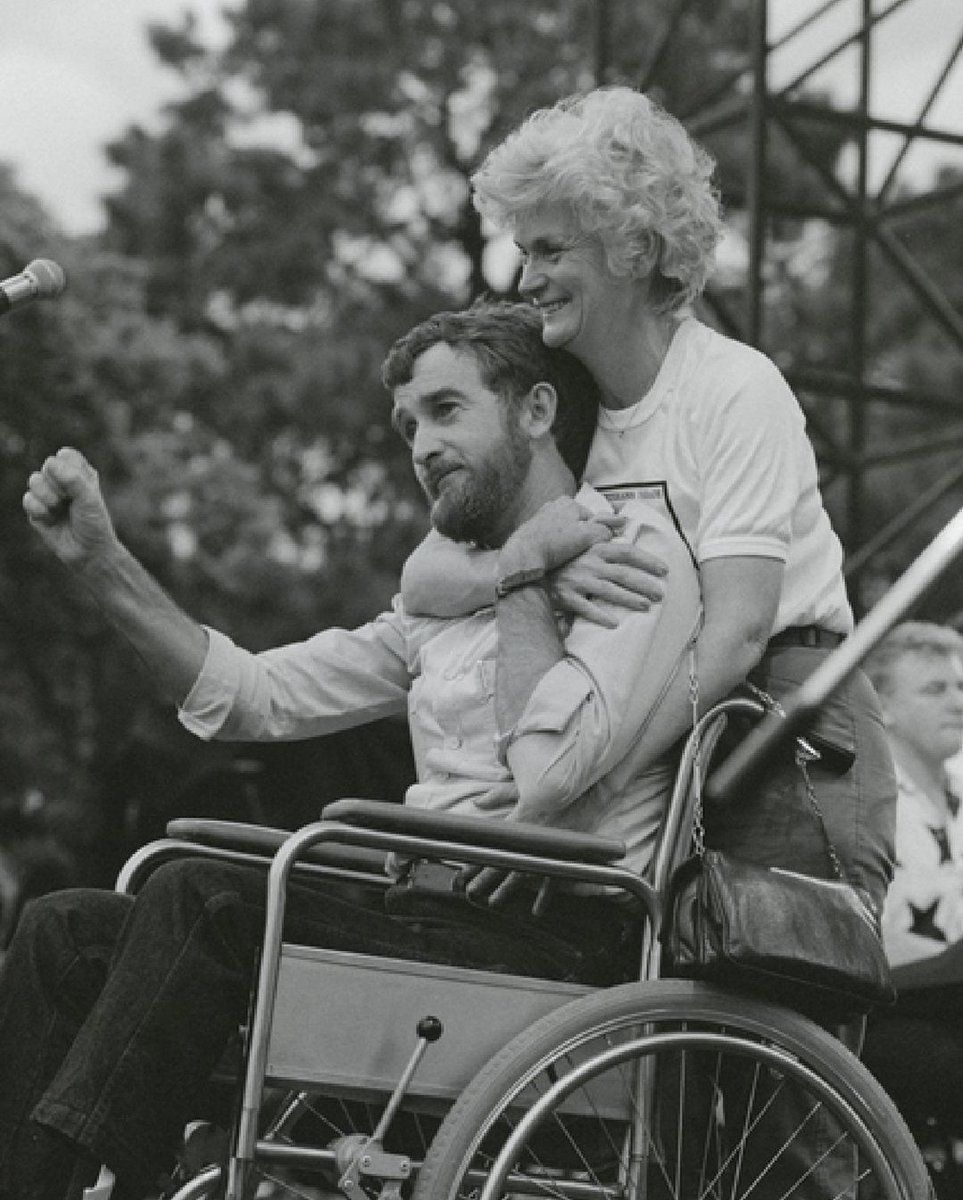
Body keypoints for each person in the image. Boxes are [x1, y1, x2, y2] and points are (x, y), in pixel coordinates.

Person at [4, 299, 703, 1200]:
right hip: (422, 921)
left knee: (204, 894)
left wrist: (527, 574)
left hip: (549, 937)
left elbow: (559, 770)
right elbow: (251, 697)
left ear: (535, 409)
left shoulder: (626, 547)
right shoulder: (442, 601)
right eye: (408, 427)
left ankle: (98, 1182)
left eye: (446, 412)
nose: (419, 446)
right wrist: (101, 563)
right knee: (63, 927)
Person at [402, 82, 896, 937]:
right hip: (662, 724)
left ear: (631, 246)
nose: (526, 280)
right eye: (523, 252)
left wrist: (574, 801)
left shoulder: (732, 388)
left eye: (550, 250)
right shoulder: (568, 406)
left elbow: (738, 630)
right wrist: (520, 566)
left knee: (766, 1001)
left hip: (786, 727)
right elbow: (424, 573)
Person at [860, 621, 963, 1142]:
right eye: (935, 689)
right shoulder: (868, 799)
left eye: (962, 687)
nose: (958, 702)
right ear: (886, 707)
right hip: (884, 1016)